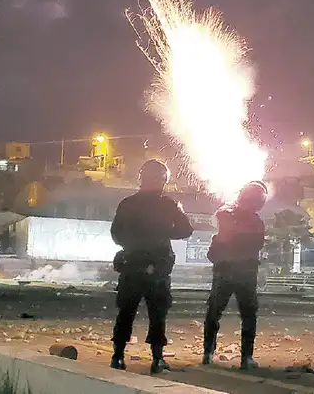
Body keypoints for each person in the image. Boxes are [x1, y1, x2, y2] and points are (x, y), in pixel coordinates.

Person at [109, 159, 193, 374]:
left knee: (126, 312)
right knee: (158, 315)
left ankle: (118, 356)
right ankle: (157, 359)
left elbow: (116, 234)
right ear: (163, 180)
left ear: (141, 178)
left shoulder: (127, 203)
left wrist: (133, 244)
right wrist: (164, 234)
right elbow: (186, 230)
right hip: (158, 266)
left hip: (132, 264)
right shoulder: (168, 204)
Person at [202, 181, 267, 369]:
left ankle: (208, 352)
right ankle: (246, 357)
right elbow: (258, 245)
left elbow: (219, 242)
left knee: (214, 311)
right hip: (246, 273)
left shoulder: (226, 215)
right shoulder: (256, 222)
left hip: (224, 271)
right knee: (248, 314)